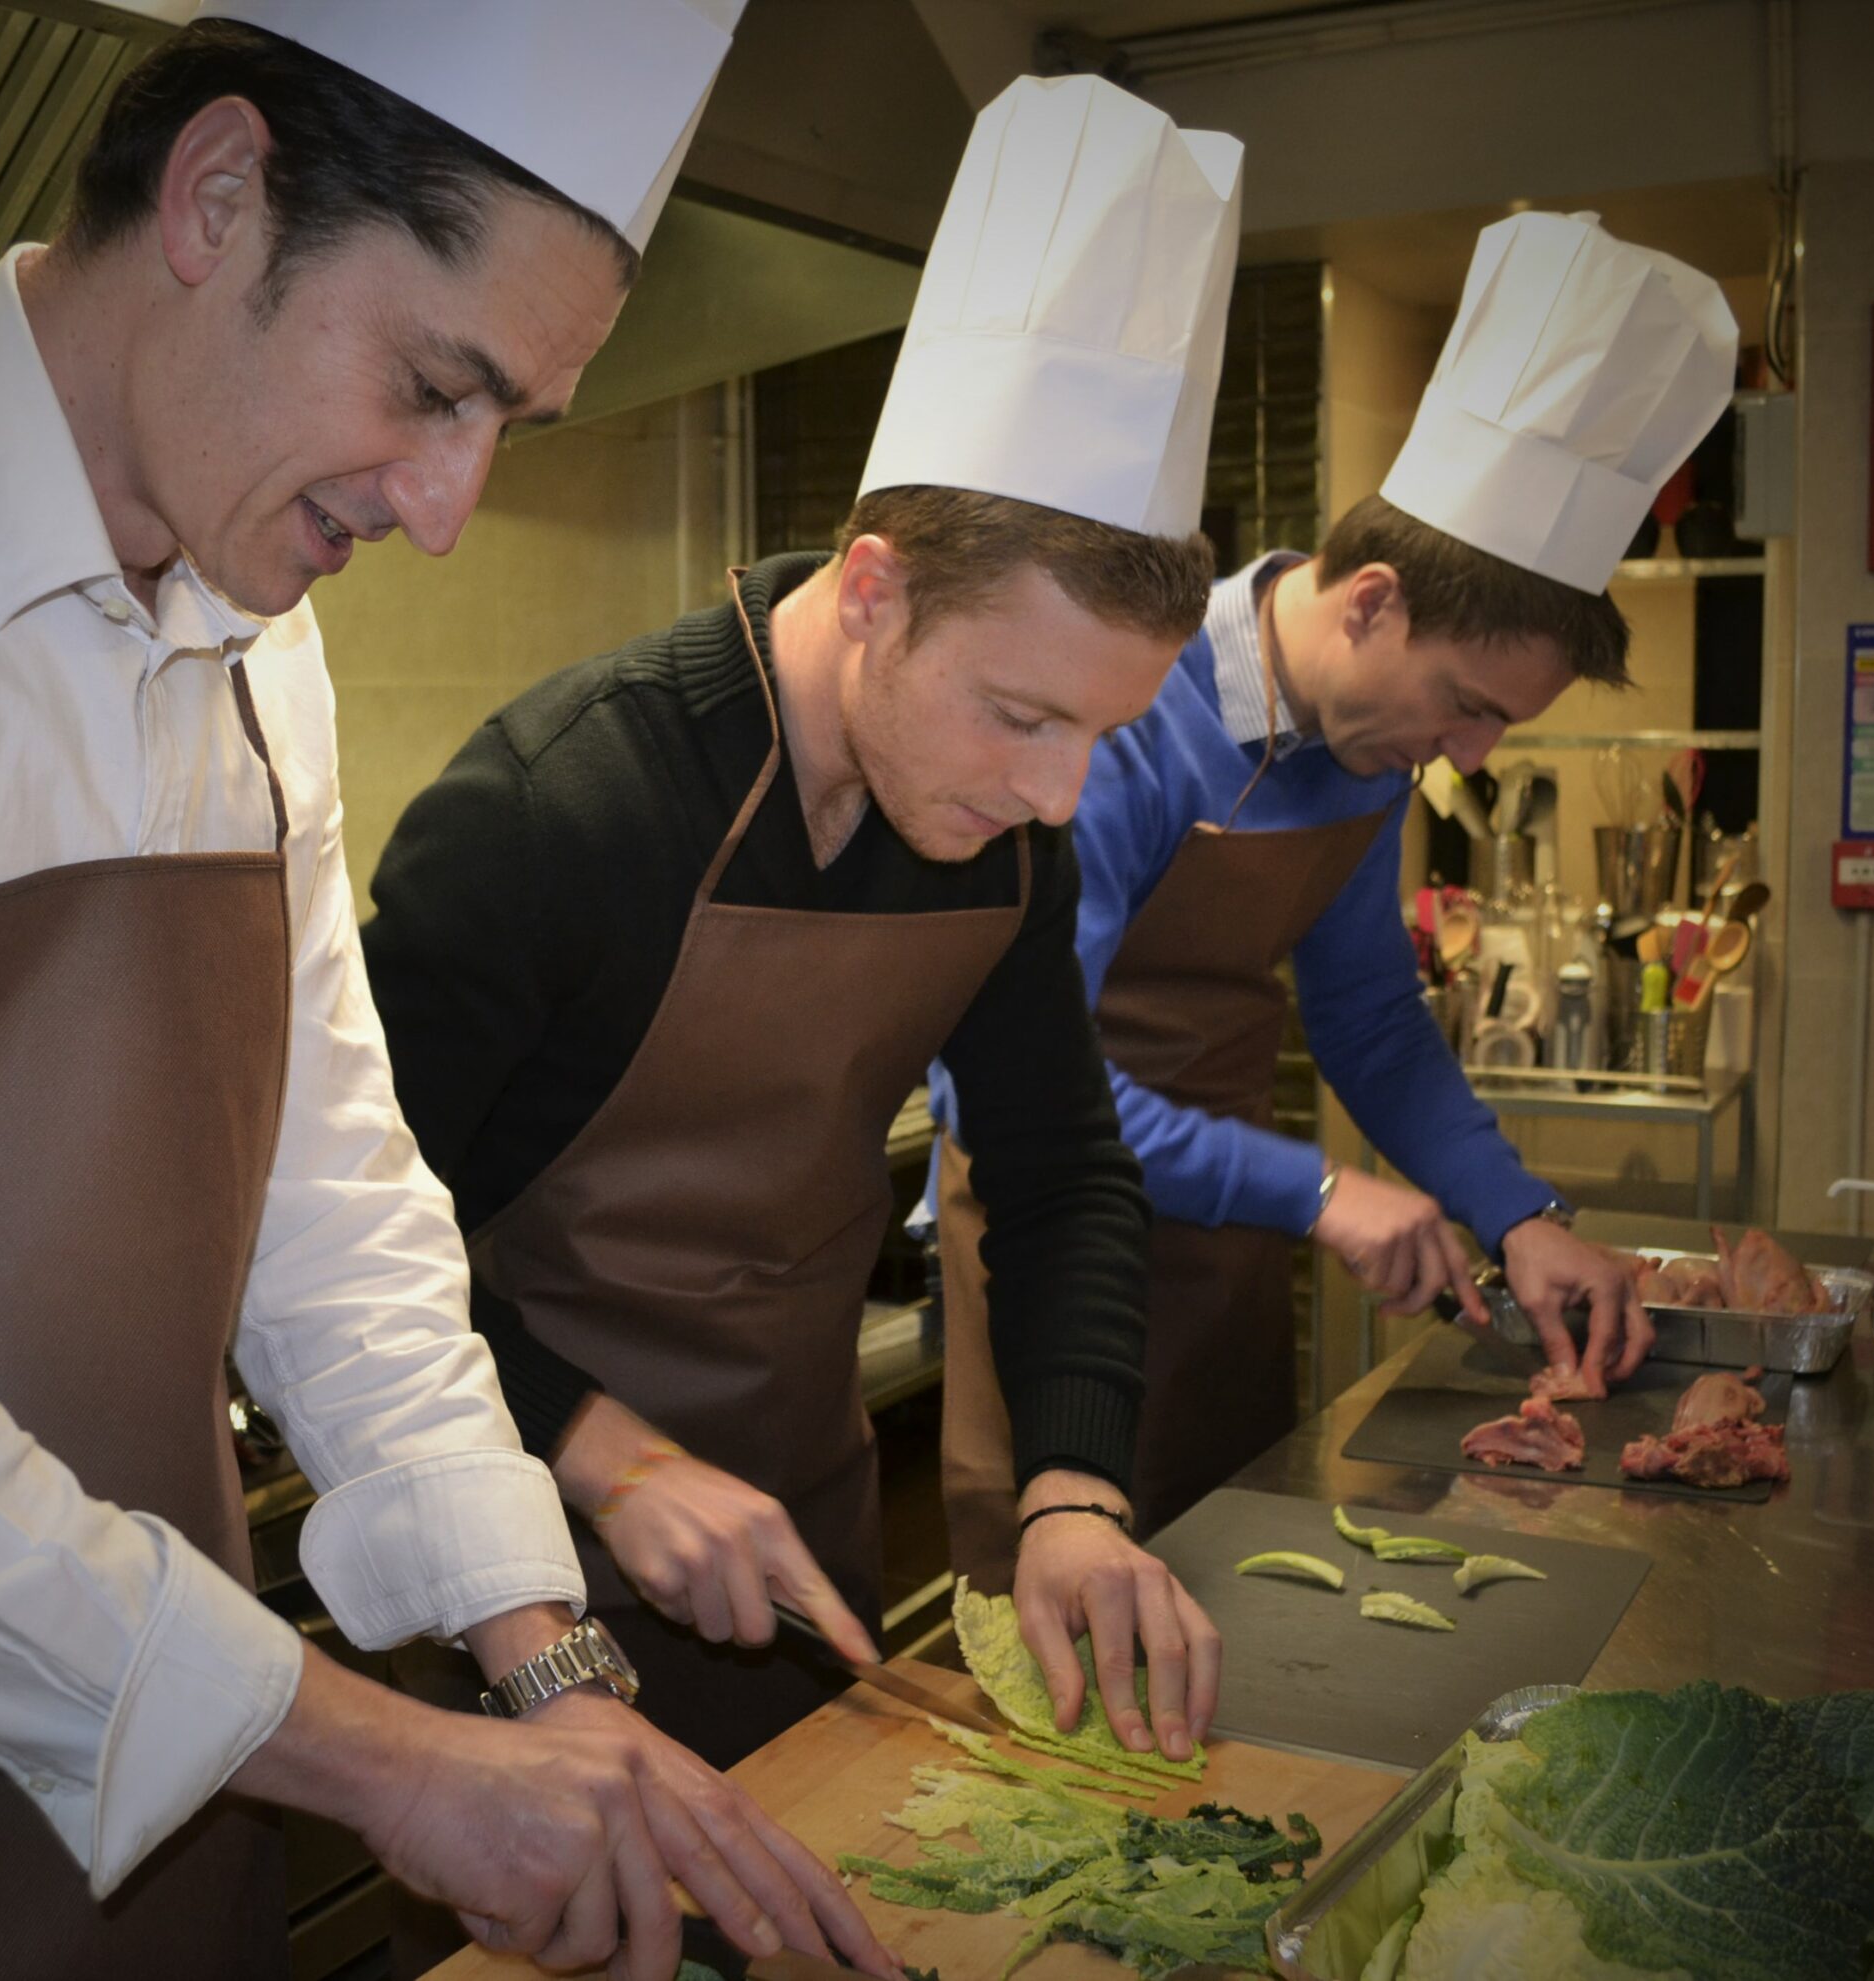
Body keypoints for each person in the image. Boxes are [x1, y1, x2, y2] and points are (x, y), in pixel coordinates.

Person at [0, 5, 899, 1977]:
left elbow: (339, 1216)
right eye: (430, 387)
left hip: (183, 1806)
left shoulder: (251, 647)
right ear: (216, 196)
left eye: (502, 431)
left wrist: (538, 1657)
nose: (445, 508)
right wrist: (381, 1763)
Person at [363, 76, 1242, 1788]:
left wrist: (1072, 1492)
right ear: (872, 588)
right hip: (522, 1594)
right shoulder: (555, 816)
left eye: (1101, 738)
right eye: (1019, 716)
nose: (1061, 797)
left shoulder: (1001, 834)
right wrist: (605, 1454)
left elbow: (1063, 1172)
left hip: (812, 1560)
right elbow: (348, 1259)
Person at [932, 210, 1739, 1577]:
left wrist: (1519, 1214)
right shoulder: (1129, 716)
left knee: (1232, 1598)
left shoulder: (1364, 748)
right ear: (1370, 603)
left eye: (1500, 729)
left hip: (1231, 1242)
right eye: (1466, 706)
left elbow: (1366, 1013)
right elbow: (997, 1087)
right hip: (1060, 1245)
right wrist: (1318, 1192)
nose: (1469, 756)